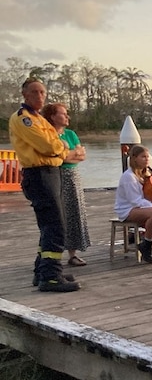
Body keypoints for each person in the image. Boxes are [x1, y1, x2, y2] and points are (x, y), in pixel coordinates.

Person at [9, 77, 78, 292]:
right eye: (35, 92)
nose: (40, 96)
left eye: (42, 93)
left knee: (49, 225)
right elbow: (48, 146)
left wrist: (60, 147)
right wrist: (64, 149)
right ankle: (50, 276)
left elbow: (56, 143)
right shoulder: (23, 119)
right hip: (39, 175)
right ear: (25, 95)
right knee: (55, 226)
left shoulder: (41, 120)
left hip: (52, 172)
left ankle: (44, 270)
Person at [43, 102, 90, 267]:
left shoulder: (70, 134)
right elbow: (58, 158)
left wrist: (68, 154)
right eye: (63, 114)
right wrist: (71, 154)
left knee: (75, 212)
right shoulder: (48, 135)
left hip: (73, 177)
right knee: (57, 215)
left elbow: (81, 156)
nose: (67, 117)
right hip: (56, 176)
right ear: (52, 116)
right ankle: (52, 255)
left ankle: (73, 254)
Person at [114, 145, 152, 264]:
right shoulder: (128, 177)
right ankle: (146, 245)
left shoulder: (145, 176)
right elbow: (135, 201)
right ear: (134, 158)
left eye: (147, 157)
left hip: (141, 208)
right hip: (127, 209)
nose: (146, 159)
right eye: (143, 157)